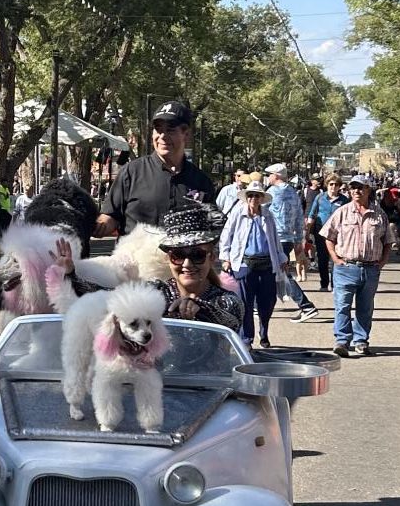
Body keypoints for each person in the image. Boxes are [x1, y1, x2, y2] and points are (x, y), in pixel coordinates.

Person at [96, 99, 218, 238]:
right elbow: (110, 217)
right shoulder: (131, 172)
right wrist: (91, 226)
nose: (162, 136)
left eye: (170, 130)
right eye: (158, 130)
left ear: (186, 135)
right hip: (135, 258)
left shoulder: (201, 181)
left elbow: (211, 230)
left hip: (181, 259)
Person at [322, 172, 396, 359]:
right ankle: (342, 341)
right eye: (353, 187)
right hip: (346, 267)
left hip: (370, 269)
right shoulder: (342, 212)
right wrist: (335, 259)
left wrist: (382, 263)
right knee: (342, 306)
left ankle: (361, 341)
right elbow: (328, 236)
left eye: (360, 187)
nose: (356, 191)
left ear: (367, 190)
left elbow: (388, 241)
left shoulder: (379, 214)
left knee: (365, 307)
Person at [157, 199, 243, 330]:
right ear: (168, 258)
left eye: (197, 255)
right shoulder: (157, 293)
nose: (187, 264)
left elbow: (231, 323)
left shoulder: (227, 301)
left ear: (212, 257)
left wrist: (203, 310)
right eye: (178, 256)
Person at [219, 183, 285, 349]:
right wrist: (226, 258)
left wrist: (282, 257)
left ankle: (264, 333)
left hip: (267, 263)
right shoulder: (237, 213)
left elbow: (275, 239)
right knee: (245, 303)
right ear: (246, 198)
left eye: (257, 196)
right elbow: (227, 235)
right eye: (251, 195)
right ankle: (247, 339)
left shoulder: (267, 215)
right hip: (244, 263)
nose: (253, 199)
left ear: (262, 198)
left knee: (267, 301)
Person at [263, 164, 319, 323]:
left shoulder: (272, 192)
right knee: (276, 272)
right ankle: (262, 304)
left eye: (270, 174)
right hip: (288, 238)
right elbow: (300, 217)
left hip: (274, 239)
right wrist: (298, 241)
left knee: (280, 273)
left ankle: (306, 306)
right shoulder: (293, 193)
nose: (268, 177)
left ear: (276, 175)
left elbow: (259, 213)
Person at [305, 174, 344, 293]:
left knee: (335, 259)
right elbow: (312, 214)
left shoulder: (344, 200)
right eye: (331, 184)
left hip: (337, 234)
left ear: (339, 186)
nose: (333, 187)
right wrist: (307, 233)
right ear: (327, 185)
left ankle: (334, 285)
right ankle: (324, 284)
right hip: (320, 232)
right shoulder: (320, 197)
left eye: (336, 184)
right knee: (322, 258)